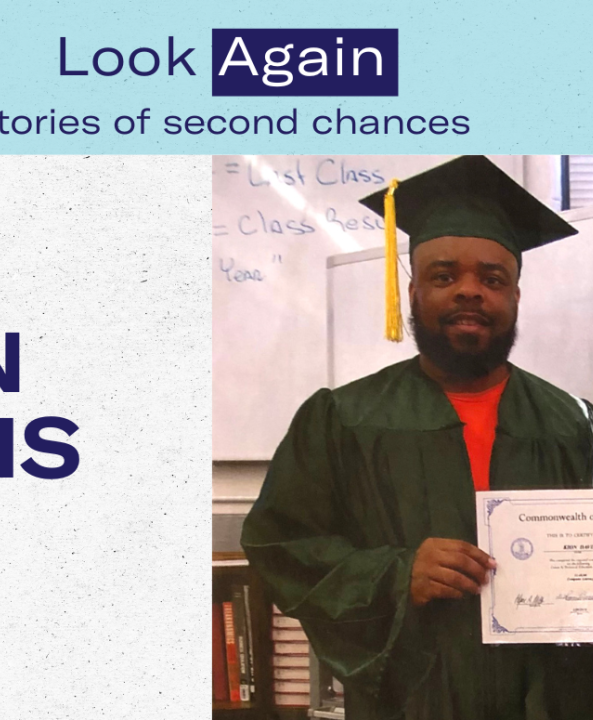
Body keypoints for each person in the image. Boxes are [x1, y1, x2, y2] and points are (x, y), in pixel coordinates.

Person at [240, 156, 593, 720]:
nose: (469, 291)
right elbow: (279, 544)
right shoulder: (342, 419)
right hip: (407, 697)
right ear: (412, 292)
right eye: (445, 275)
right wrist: (397, 573)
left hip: (550, 696)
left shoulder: (576, 424)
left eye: (493, 278)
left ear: (516, 298)